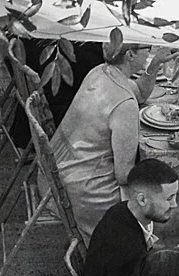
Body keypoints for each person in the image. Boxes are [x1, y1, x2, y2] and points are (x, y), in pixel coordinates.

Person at [47, 31, 141, 231]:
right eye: (149, 49)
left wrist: (157, 62)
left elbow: (140, 92)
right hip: (86, 195)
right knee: (157, 196)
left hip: (57, 172)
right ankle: (145, 254)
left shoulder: (100, 71)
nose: (150, 54)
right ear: (131, 55)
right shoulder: (125, 105)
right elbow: (124, 175)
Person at [77, 154, 179, 276]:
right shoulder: (128, 252)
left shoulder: (120, 210)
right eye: (169, 198)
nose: (175, 204)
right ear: (142, 199)